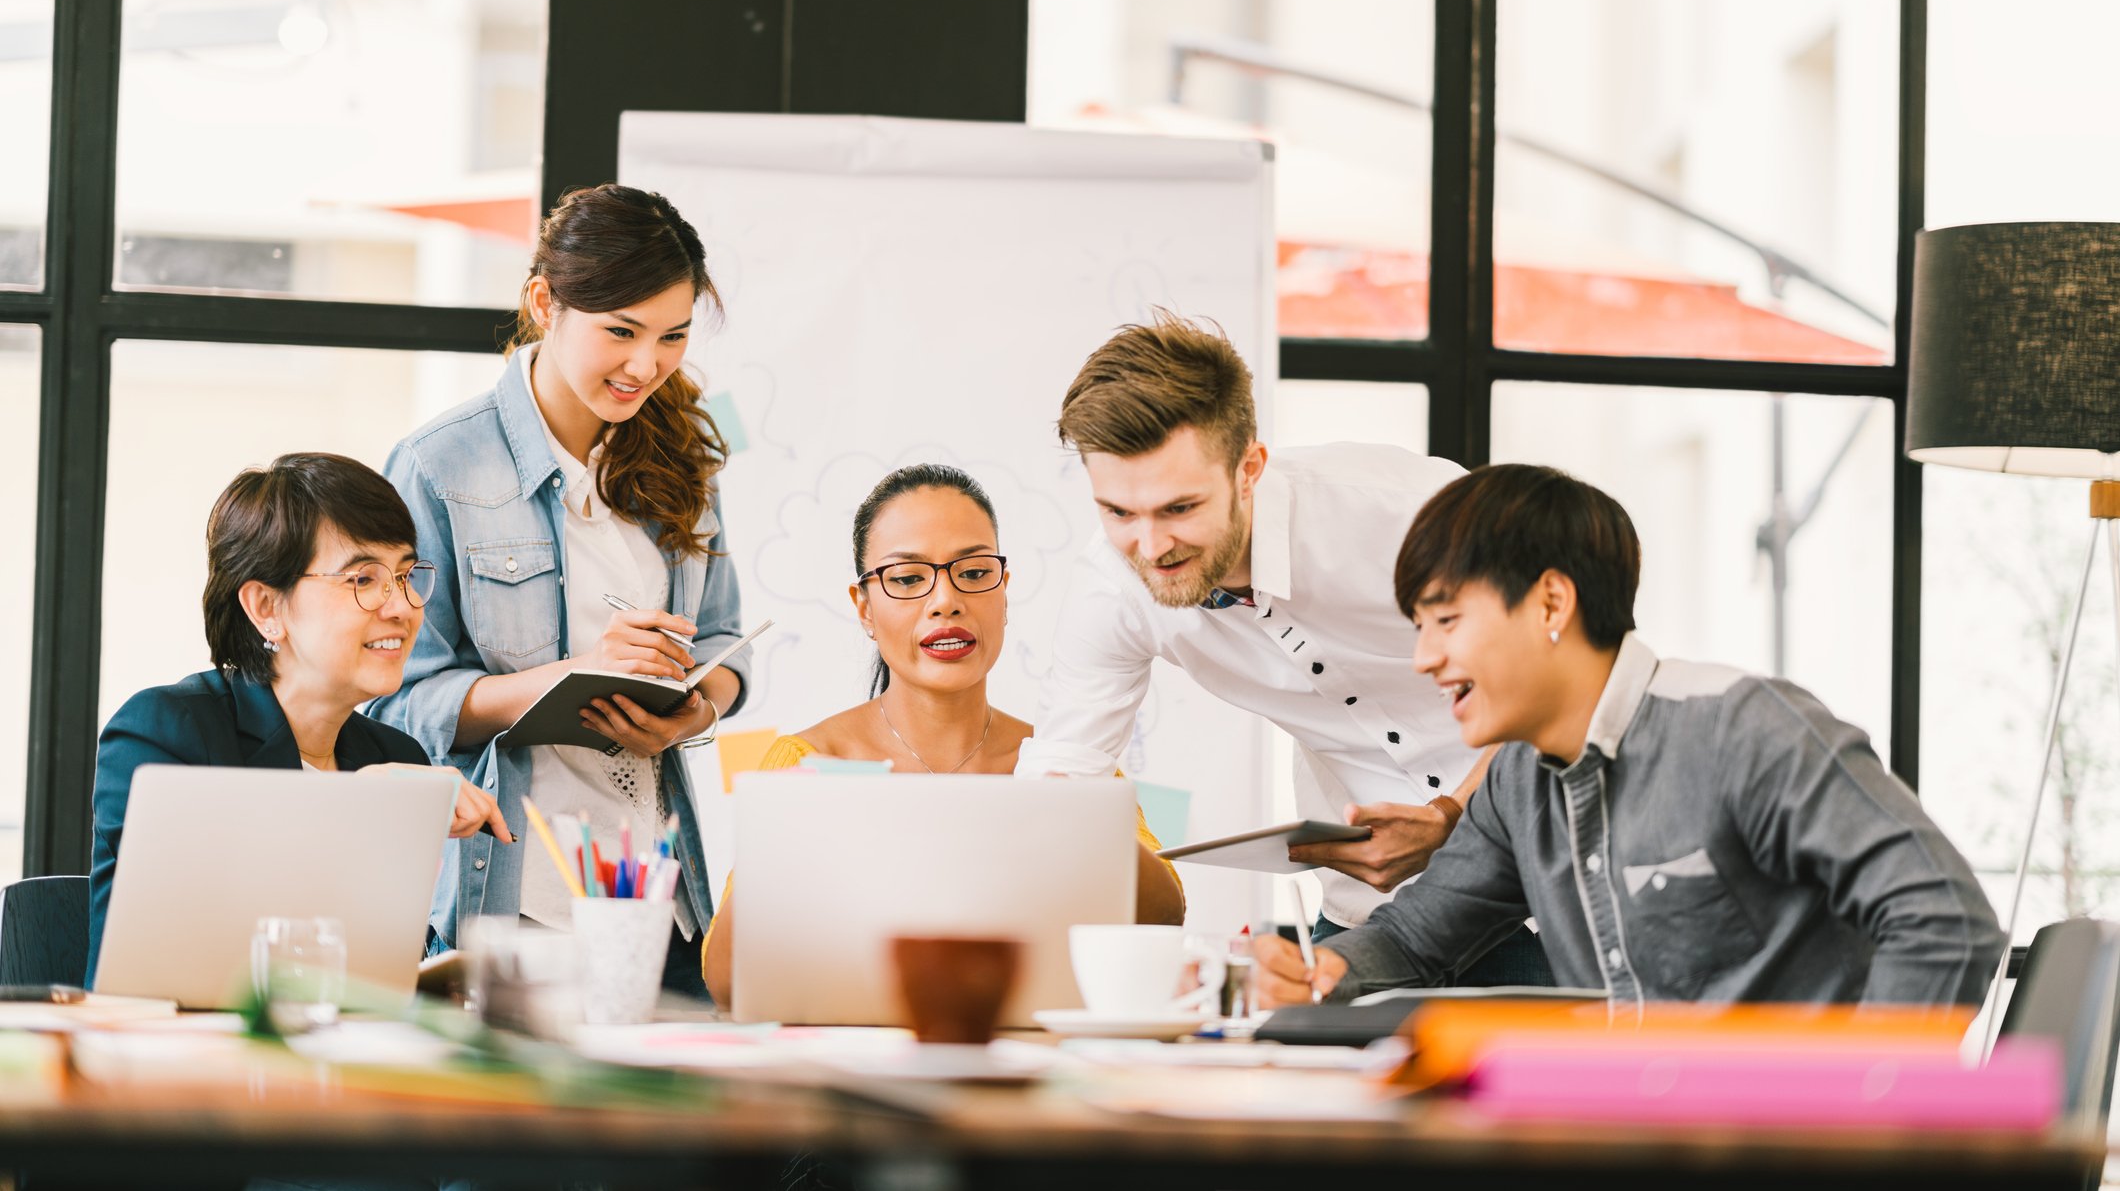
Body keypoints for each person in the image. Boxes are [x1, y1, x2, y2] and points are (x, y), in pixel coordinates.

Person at [1253, 463, 2007, 1010]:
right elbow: (1418, 939)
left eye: (1447, 621)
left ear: (1551, 602)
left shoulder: (1743, 729)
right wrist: (1313, 971)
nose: (1424, 659)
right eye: (1419, 628)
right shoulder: (1518, 780)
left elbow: (1946, 919)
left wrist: (1862, 1117)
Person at [1018, 312, 1541, 980]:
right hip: (1379, 918)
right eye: (1119, 512)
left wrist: (1451, 817)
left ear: (1249, 469)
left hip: (1551, 887)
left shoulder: (1408, 511)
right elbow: (1065, 778)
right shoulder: (1113, 586)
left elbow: (1562, 683)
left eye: (1180, 509)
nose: (1149, 548)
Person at [374, 184, 749, 999]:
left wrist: (699, 708)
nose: (646, 365)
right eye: (621, 332)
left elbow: (722, 641)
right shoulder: (439, 465)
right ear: (545, 303)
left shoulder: (686, 458)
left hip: (660, 898)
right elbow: (390, 702)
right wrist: (564, 679)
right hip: (517, 904)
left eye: (673, 336)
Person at [703, 464, 1184, 1009]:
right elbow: (727, 984)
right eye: (907, 579)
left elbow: (1166, 918)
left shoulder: (1065, 761)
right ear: (864, 608)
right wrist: (787, 836)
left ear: (1004, 590)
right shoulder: (809, 761)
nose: (945, 601)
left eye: (974, 573)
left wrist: (1076, 822)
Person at [88, 454, 510, 984]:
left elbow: (372, 975)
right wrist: (352, 804)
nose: (401, 607)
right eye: (363, 578)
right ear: (266, 607)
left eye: (405, 575)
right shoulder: (164, 732)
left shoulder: (394, 757)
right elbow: (177, 949)